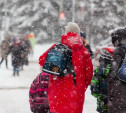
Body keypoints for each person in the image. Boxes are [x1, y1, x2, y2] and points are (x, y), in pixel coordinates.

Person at [39, 22, 93, 113]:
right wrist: (81, 87)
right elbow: (89, 74)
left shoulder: (56, 47)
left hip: (56, 90)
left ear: (66, 32)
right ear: (79, 33)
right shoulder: (84, 52)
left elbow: (41, 60)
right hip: (76, 93)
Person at [107, 28, 126, 113]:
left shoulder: (119, 51)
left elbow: (113, 72)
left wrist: (108, 78)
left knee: (118, 108)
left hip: (120, 89)